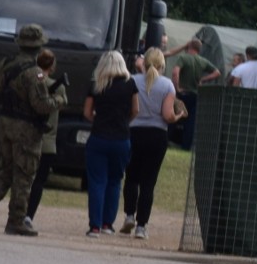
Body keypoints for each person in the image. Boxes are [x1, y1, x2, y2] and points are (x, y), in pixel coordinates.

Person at [0, 25, 67, 236]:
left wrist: (7, 113)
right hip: (26, 129)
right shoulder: (36, 73)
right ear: (39, 47)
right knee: (24, 174)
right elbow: (41, 105)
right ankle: (16, 220)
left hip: (4, 123)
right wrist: (59, 99)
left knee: (7, 170)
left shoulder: (4, 64)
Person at [122, 47, 186, 240]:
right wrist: (179, 115)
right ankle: (142, 226)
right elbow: (167, 115)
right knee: (148, 182)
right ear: (162, 65)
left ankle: (129, 215)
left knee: (131, 177)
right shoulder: (167, 85)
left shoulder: (132, 80)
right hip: (157, 136)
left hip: (134, 132)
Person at [83, 50, 138, 237]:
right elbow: (135, 110)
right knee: (115, 182)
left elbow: (87, 113)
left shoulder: (97, 85)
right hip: (121, 139)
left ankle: (95, 226)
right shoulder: (130, 84)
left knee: (97, 182)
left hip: (99, 137)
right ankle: (108, 224)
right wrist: (123, 121)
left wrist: (98, 120)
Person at [24, 48, 66, 232]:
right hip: (48, 142)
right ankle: (28, 216)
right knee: (39, 182)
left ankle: (18, 212)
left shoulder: (30, 81)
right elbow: (61, 102)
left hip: (28, 138)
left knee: (25, 179)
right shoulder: (57, 86)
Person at [171, 37, 221, 151]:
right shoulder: (203, 61)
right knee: (190, 122)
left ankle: (168, 140)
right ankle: (185, 147)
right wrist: (203, 80)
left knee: (174, 117)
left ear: (189, 46)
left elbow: (175, 73)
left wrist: (177, 88)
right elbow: (217, 72)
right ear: (199, 49)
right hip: (195, 95)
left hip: (182, 93)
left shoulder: (183, 57)